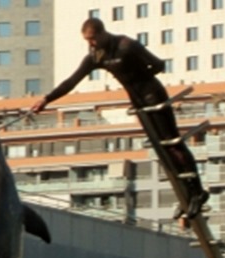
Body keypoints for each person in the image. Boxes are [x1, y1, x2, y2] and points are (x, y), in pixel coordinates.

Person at [31, 17, 210, 220]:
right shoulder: (96, 55)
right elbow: (72, 81)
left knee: (172, 143)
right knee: (161, 148)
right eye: (87, 41)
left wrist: (139, 76)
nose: (90, 44)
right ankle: (185, 194)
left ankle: (197, 191)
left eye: (92, 39)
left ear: (101, 33)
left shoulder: (126, 45)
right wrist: (46, 99)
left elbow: (158, 64)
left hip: (153, 94)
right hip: (138, 102)